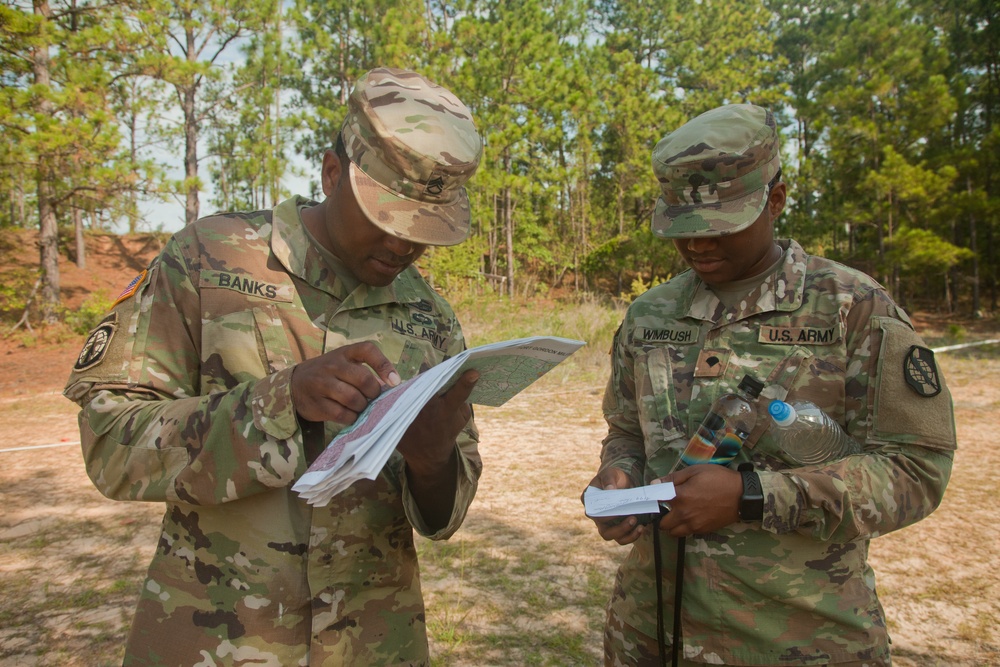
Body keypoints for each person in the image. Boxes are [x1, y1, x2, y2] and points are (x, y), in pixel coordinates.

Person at [64, 68, 485, 666]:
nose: (405, 246)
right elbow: (109, 442)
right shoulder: (208, 259)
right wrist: (276, 406)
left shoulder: (429, 316)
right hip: (218, 642)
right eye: (388, 219)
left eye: (425, 232)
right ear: (332, 173)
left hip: (374, 644)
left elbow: (444, 515)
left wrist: (432, 459)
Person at [586, 104, 956, 666]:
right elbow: (626, 432)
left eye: (720, 228)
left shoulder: (852, 309)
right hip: (652, 628)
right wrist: (620, 473)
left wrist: (750, 497)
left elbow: (915, 471)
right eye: (683, 230)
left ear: (775, 201)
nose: (698, 247)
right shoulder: (650, 314)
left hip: (797, 638)